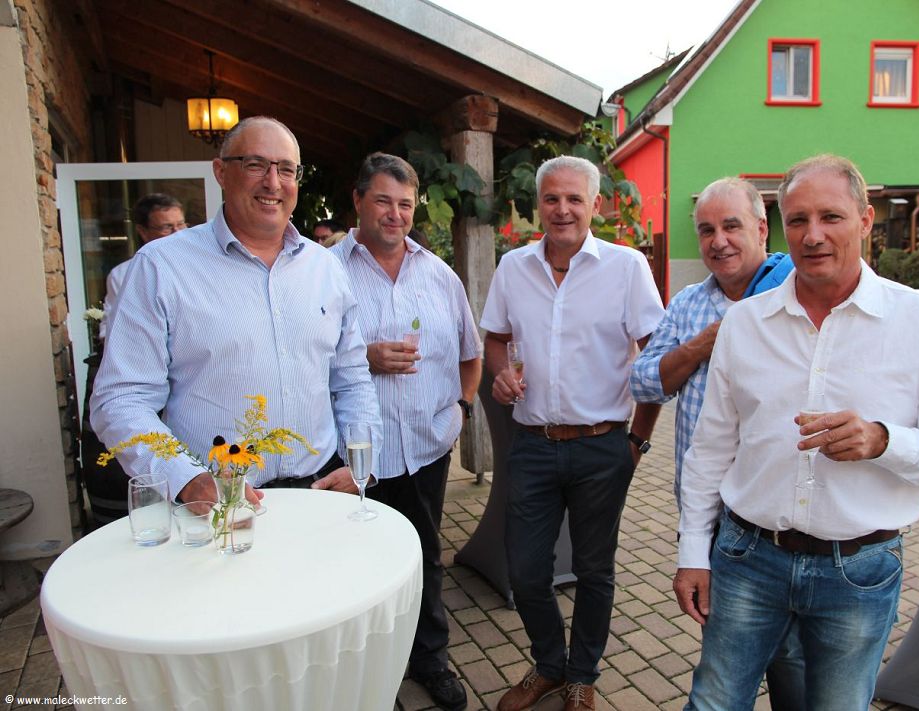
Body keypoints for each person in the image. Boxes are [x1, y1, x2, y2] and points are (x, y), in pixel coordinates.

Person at [673, 154, 919, 710]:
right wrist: (693, 551)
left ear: (866, 220)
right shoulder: (745, 323)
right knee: (713, 702)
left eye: (831, 217)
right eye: (798, 220)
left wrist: (885, 441)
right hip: (748, 558)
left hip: (859, 571)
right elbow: (711, 449)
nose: (813, 235)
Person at [92, 116, 381, 506]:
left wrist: (361, 459)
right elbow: (122, 398)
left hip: (322, 493)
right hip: (215, 504)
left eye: (286, 169)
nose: (273, 182)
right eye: (255, 164)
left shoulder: (326, 268)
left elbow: (352, 379)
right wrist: (185, 478)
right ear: (221, 172)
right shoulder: (162, 267)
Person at [482, 156, 665, 711]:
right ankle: (548, 665)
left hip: (603, 445)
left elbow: (656, 360)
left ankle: (582, 676)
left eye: (574, 199)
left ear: (595, 205)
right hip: (533, 445)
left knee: (594, 571)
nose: (562, 209)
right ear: (538, 205)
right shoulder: (513, 267)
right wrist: (501, 373)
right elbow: (495, 338)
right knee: (526, 571)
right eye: (552, 199)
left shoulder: (626, 268)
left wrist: (637, 442)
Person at [629, 177, 803, 710]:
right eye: (707, 230)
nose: (719, 241)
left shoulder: (798, 294)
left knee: (794, 665)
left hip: (781, 518)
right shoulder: (688, 304)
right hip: (712, 515)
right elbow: (644, 382)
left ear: (761, 229)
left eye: (731, 226)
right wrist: (702, 344)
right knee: (727, 660)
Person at [330, 153, 479, 711]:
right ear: (358, 200)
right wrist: (364, 357)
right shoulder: (324, 271)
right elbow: (297, 362)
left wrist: (462, 409)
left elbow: (470, 354)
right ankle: (369, 672)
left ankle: (430, 659)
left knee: (424, 558)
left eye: (405, 204)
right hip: (353, 457)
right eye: (383, 201)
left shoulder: (439, 275)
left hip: (424, 447)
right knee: (356, 568)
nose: (395, 214)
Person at [100, 193, 186, 339]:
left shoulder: (203, 266)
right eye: (167, 227)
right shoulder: (123, 275)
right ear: (143, 232)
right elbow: (111, 330)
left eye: (181, 224)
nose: (178, 233)